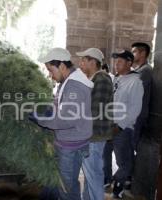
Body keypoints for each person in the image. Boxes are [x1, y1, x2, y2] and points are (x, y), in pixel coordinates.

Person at [30, 48, 94, 199]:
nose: (51, 76)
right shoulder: (67, 82)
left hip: (71, 145)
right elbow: (63, 106)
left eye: (51, 70)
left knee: (66, 188)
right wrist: (49, 110)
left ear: (62, 66)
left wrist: (40, 120)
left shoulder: (74, 85)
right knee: (68, 183)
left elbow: (67, 119)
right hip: (71, 141)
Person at [76, 48, 113, 200]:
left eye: (83, 60)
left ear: (93, 62)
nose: (80, 64)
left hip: (94, 134)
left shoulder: (101, 78)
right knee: (90, 174)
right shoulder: (93, 79)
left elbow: (95, 108)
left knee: (94, 175)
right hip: (91, 133)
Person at [110, 50, 143, 199]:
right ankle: (110, 181)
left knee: (125, 162)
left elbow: (135, 108)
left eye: (120, 62)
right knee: (114, 159)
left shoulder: (135, 82)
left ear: (129, 63)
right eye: (116, 61)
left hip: (122, 129)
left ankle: (118, 186)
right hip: (110, 126)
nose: (116, 64)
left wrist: (121, 126)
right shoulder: (117, 79)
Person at [131, 42, 159, 200]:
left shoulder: (146, 71)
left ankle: (139, 187)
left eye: (134, 52)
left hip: (139, 118)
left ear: (142, 54)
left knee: (135, 152)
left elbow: (137, 95)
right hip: (137, 117)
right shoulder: (140, 71)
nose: (132, 54)